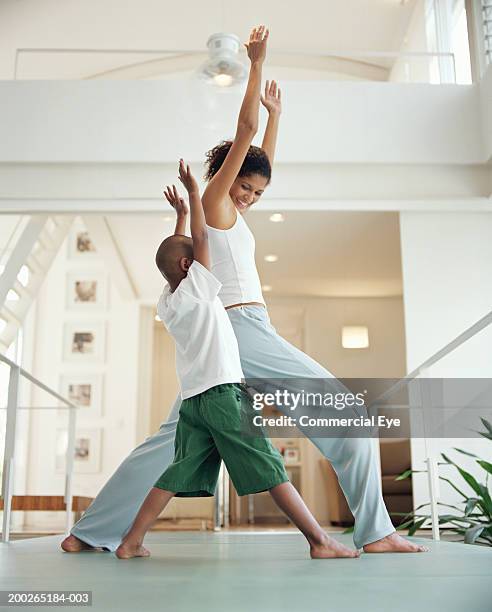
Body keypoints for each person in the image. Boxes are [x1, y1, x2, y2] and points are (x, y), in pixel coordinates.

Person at [62, 25, 427, 555]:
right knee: (348, 414)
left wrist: (278, 120)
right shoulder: (214, 199)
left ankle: (88, 532)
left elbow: (259, 153)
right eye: (245, 187)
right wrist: (257, 65)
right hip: (241, 330)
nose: (251, 197)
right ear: (223, 175)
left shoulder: (228, 207)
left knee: (172, 443)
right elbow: (244, 129)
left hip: (230, 337)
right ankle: (377, 532)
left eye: (258, 192)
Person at [115, 160, 360, 560]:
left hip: (194, 400)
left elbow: (179, 249)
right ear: (187, 266)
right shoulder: (201, 287)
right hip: (222, 394)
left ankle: (131, 541)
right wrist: (194, 195)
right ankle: (320, 541)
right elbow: (199, 236)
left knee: (176, 471)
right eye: (194, 255)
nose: (202, 253)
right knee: (270, 468)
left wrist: (178, 220)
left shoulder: (170, 300)